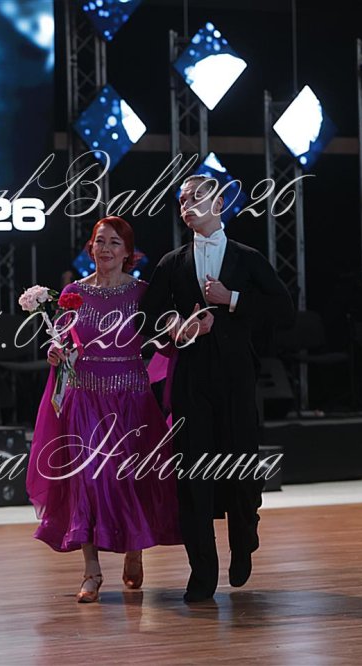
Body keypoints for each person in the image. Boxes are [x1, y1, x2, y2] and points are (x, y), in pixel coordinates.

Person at [141, 175, 294, 603]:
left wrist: (232, 299)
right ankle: (202, 572)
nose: (186, 205)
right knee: (193, 475)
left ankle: (244, 539)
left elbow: (284, 311)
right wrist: (177, 327)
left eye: (195, 198)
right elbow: (147, 316)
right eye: (181, 200)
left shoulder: (247, 257)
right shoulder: (172, 262)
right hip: (191, 378)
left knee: (241, 469)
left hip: (236, 377)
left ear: (219, 203)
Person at [27, 216, 181, 603]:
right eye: (100, 241)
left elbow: (165, 341)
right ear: (90, 248)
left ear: (128, 252)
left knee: (131, 480)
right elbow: (65, 342)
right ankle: (91, 571)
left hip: (131, 401)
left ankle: (134, 551)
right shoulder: (72, 293)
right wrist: (57, 352)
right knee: (87, 483)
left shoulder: (143, 293)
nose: (106, 248)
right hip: (85, 401)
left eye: (115, 242)